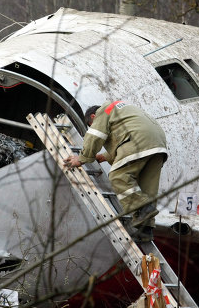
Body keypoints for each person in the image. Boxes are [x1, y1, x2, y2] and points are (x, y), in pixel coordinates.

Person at [64, 101, 168, 242]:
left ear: (93, 117)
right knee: (146, 188)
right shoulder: (123, 110)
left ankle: (143, 206)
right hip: (157, 145)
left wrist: (81, 159)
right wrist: (103, 156)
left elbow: (96, 135)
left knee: (117, 176)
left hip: (138, 139)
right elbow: (123, 137)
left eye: (91, 124)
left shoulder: (104, 111)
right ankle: (145, 231)